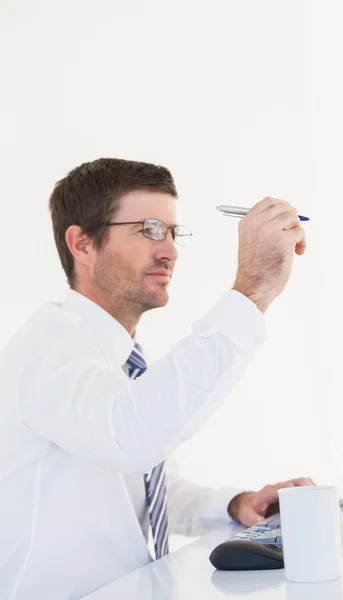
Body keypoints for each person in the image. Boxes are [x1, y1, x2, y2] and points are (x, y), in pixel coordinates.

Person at [0, 158, 313, 599]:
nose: (169, 250)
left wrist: (237, 504)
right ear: (82, 244)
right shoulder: (48, 346)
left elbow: (149, 491)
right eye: (148, 229)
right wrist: (252, 290)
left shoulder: (119, 357)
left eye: (171, 232)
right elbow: (132, 438)